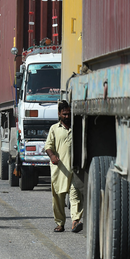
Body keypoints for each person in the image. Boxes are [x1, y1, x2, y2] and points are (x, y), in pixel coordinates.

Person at [44, 100, 84, 233]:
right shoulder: (54, 129)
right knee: (59, 198)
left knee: (75, 194)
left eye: (69, 114)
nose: (67, 116)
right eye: (64, 114)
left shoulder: (77, 128)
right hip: (60, 170)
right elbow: (48, 147)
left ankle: (75, 221)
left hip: (74, 170)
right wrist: (52, 156)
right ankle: (60, 223)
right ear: (59, 114)